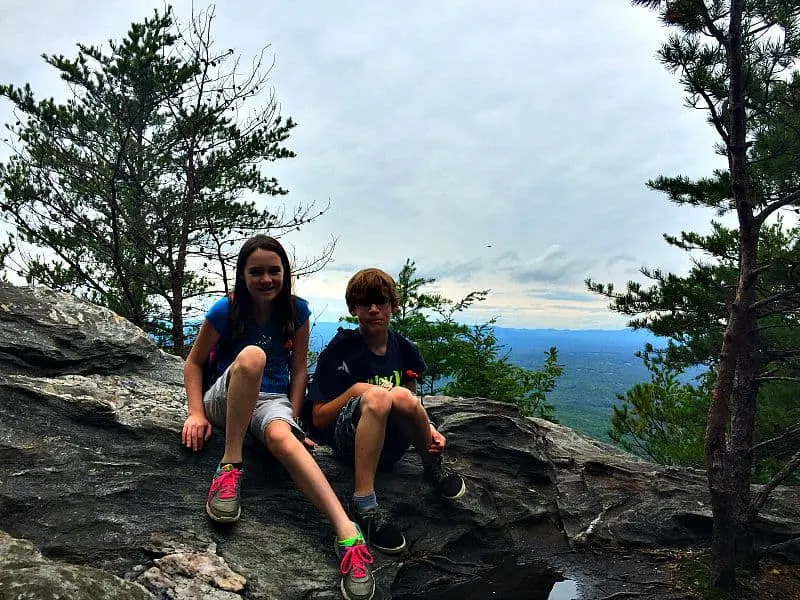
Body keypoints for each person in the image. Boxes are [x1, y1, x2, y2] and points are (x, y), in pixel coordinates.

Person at [181, 235, 375, 600]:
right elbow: (193, 363)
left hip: (270, 400)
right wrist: (195, 412)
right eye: (257, 272)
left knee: (284, 439)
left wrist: (294, 418)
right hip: (226, 394)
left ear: (286, 272)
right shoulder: (226, 310)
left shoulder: (296, 312)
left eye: (274, 271)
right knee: (253, 356)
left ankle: (348, 535)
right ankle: (230, 465)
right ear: (243, 275)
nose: (266, 279)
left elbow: (299, 370)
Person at [310, 268, 466, 555]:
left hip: (393, 446)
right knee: (380, 398)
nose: (373, 310)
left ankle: (432, 465)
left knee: (403, 396)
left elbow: (411, 402)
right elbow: (318, 417)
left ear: (393, 306)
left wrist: (429, 431)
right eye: (365, 303)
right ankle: (364, 504)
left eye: (381, 302)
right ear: (352, 308)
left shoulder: (405, 349)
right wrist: (357, 390)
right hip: (349, 446)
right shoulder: (340, 350)